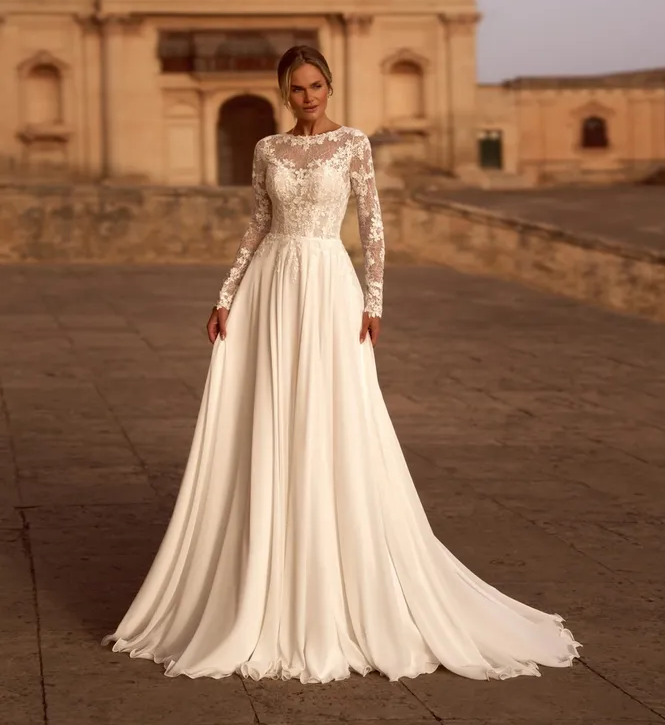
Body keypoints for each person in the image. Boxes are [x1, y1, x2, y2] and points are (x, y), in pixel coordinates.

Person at [102, 45, 580, 683]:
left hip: (329, 284)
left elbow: (373, 225)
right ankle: (264, 573)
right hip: (271, 284)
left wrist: (374, 299)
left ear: (330, 86)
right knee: (268, 414)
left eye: (317, 85)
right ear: (283, 92)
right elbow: (257, 225)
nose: (308, 96)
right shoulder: (268, 150)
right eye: (297, 88)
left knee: (335, 416)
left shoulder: (354, 143)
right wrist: (225, 294)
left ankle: (338, 568)